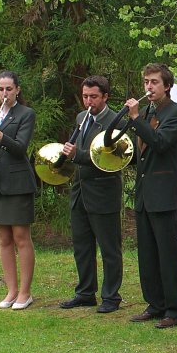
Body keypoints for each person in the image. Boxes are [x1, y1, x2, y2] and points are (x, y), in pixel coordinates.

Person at [127, 64, 177, 329]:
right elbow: (141, 153)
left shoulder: (175, 112)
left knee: (167, 254)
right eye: (146, 82)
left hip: (163, 193)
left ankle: (174, 310)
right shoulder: (145, 112)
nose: (149, 87)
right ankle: (155, 304)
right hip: (144, 194)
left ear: (167, 86)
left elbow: (161, 143)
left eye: (154, 82)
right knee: (147, 254)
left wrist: (136, 121)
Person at [58, 75, 125, 314]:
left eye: (94, 97)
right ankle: (85, 293)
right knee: (82, 246)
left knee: (109, 248)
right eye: (85, 96)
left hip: (103, 191)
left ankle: (111, 296)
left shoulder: (115, 121)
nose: (89, 101)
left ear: (105, 96)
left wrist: (77, 155)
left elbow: (109, 158)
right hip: (80, 191)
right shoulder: (81, 117)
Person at [0, 70, 38, 310]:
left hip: (17, 184)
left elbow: (20, 148)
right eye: (1, 89)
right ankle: (11, 291)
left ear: (17, 90)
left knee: (21, 237)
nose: (4, 93)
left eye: (9, 89)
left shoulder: (26, 114)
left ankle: (25, 293)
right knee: (3, 238)